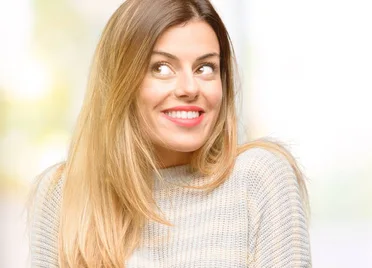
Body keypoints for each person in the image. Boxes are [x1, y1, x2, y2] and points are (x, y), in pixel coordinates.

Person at [28, 0, 311, 267]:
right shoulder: (63, 194)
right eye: (161, 68)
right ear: (121, 80)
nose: (189, 87)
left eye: (205, 67)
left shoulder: (259, 178)